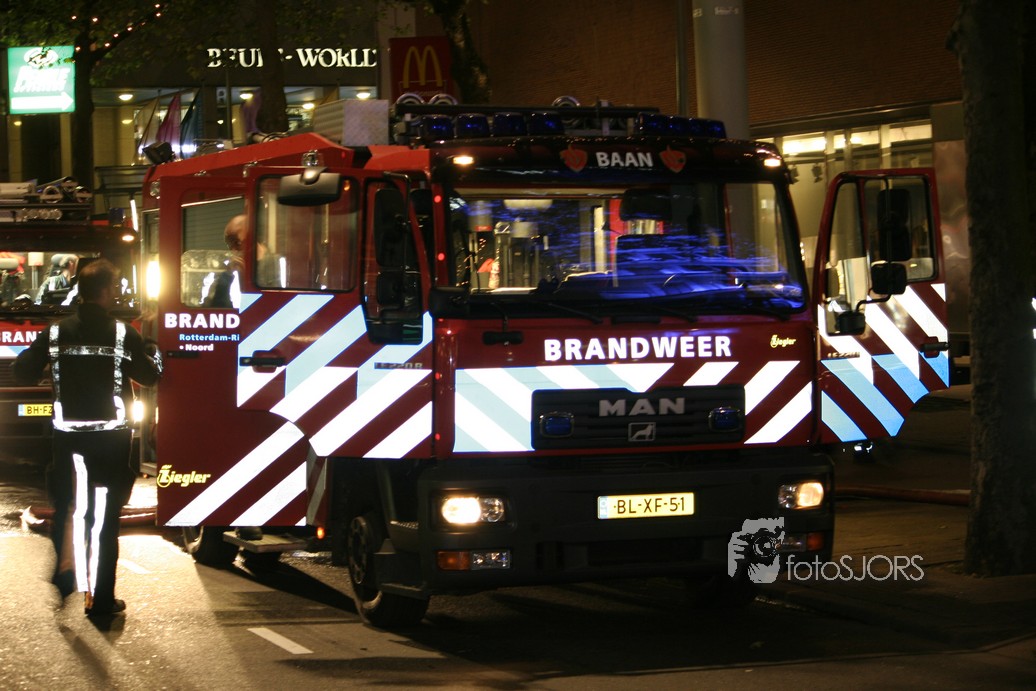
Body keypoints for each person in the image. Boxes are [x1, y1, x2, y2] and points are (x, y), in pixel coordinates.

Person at [13, 258, 162, 617]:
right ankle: (101, 600)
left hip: (67, 437)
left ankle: (65, 570)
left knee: (67, 505)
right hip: (111, 439)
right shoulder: (123, 334)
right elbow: (149, 376)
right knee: (105, 518)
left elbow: (22, 371)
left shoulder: (54, 333)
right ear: (107, 291)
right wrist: (153, 350)